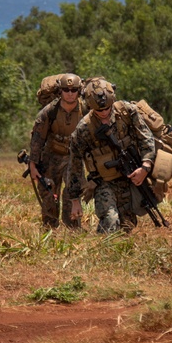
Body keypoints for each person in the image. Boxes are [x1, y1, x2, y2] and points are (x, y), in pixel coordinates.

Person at [67, 78, 157, 233]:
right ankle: (100, 253)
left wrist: (145, 166)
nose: (104, 113)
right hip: (103, 182)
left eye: (107, 108)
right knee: (110, 220)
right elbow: (74, 165)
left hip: (129, 178)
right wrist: (75, 200)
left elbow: (146, 138)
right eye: (98, 110)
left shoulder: (127, 112)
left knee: (126, 226)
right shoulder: (83, 129)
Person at [28, 73, 85, 228]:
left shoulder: (85, 111)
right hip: (51, 156)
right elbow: (37, 139)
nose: (70, 93)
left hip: (74, 158)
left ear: (79, 91)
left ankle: (72, 229)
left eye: (74, 90)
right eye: (66, 90)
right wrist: (32, 165)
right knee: (48, 193)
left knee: (72, 192)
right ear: (60, 91)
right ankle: (49, 229)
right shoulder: (49, 111)